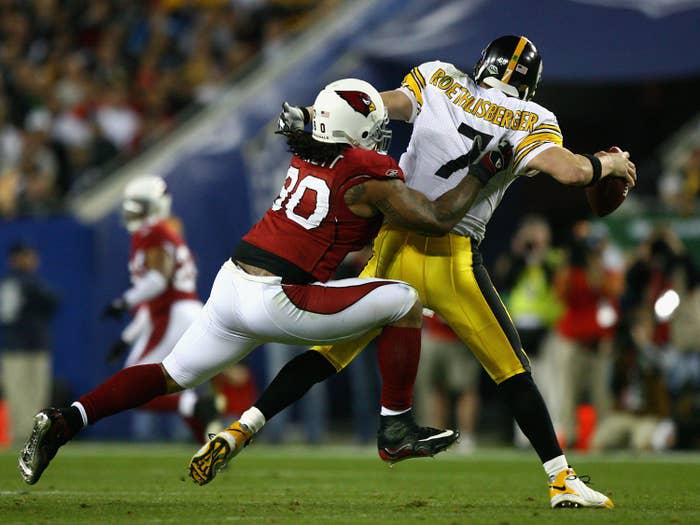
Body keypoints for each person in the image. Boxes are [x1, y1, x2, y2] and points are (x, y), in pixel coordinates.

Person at [18, 77, 509, 486]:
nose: (379, 138)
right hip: (280, 297)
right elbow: (439, 218)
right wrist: (484, 169)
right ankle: (395, 426)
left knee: (169, 373)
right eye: (374, 130)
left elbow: (341, 218)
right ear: (354, 131)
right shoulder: (367, 170)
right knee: (405, 301)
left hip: (231, 283)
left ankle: (65, 420)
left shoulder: (307, 145)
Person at [274, 35, 636, 509]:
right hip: (456, 256)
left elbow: (372, 108)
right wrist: (608, 163)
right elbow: (570, 173)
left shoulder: (441, 77)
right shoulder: (534, 119)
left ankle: (244, 428)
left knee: (330, 350)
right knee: (511, 369)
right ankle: (560, 478)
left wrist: (315, 115)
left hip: (396, 239)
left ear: (484, 63)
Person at [101, 176, 219, 442]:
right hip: (176, 312)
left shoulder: (154, 232)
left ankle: (191, 405)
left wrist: (123, 301)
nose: (132, 211)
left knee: (132, 386)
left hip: (173, 313)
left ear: (154, 206)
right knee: (174, 379)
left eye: (138, 205)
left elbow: (158, 280)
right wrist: (126, 337)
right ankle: (213, 445)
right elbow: (151, 300)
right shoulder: (156, 232)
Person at [0, 242, 59, 442]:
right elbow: (52, 301)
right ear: (16, 258)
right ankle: (25, 437)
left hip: (20, 344)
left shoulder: (11, 281)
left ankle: (30, 436)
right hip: (24, 344)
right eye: (26, 255)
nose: (32, 259)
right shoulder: (24, 281)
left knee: (30, 394)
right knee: (24, 394)